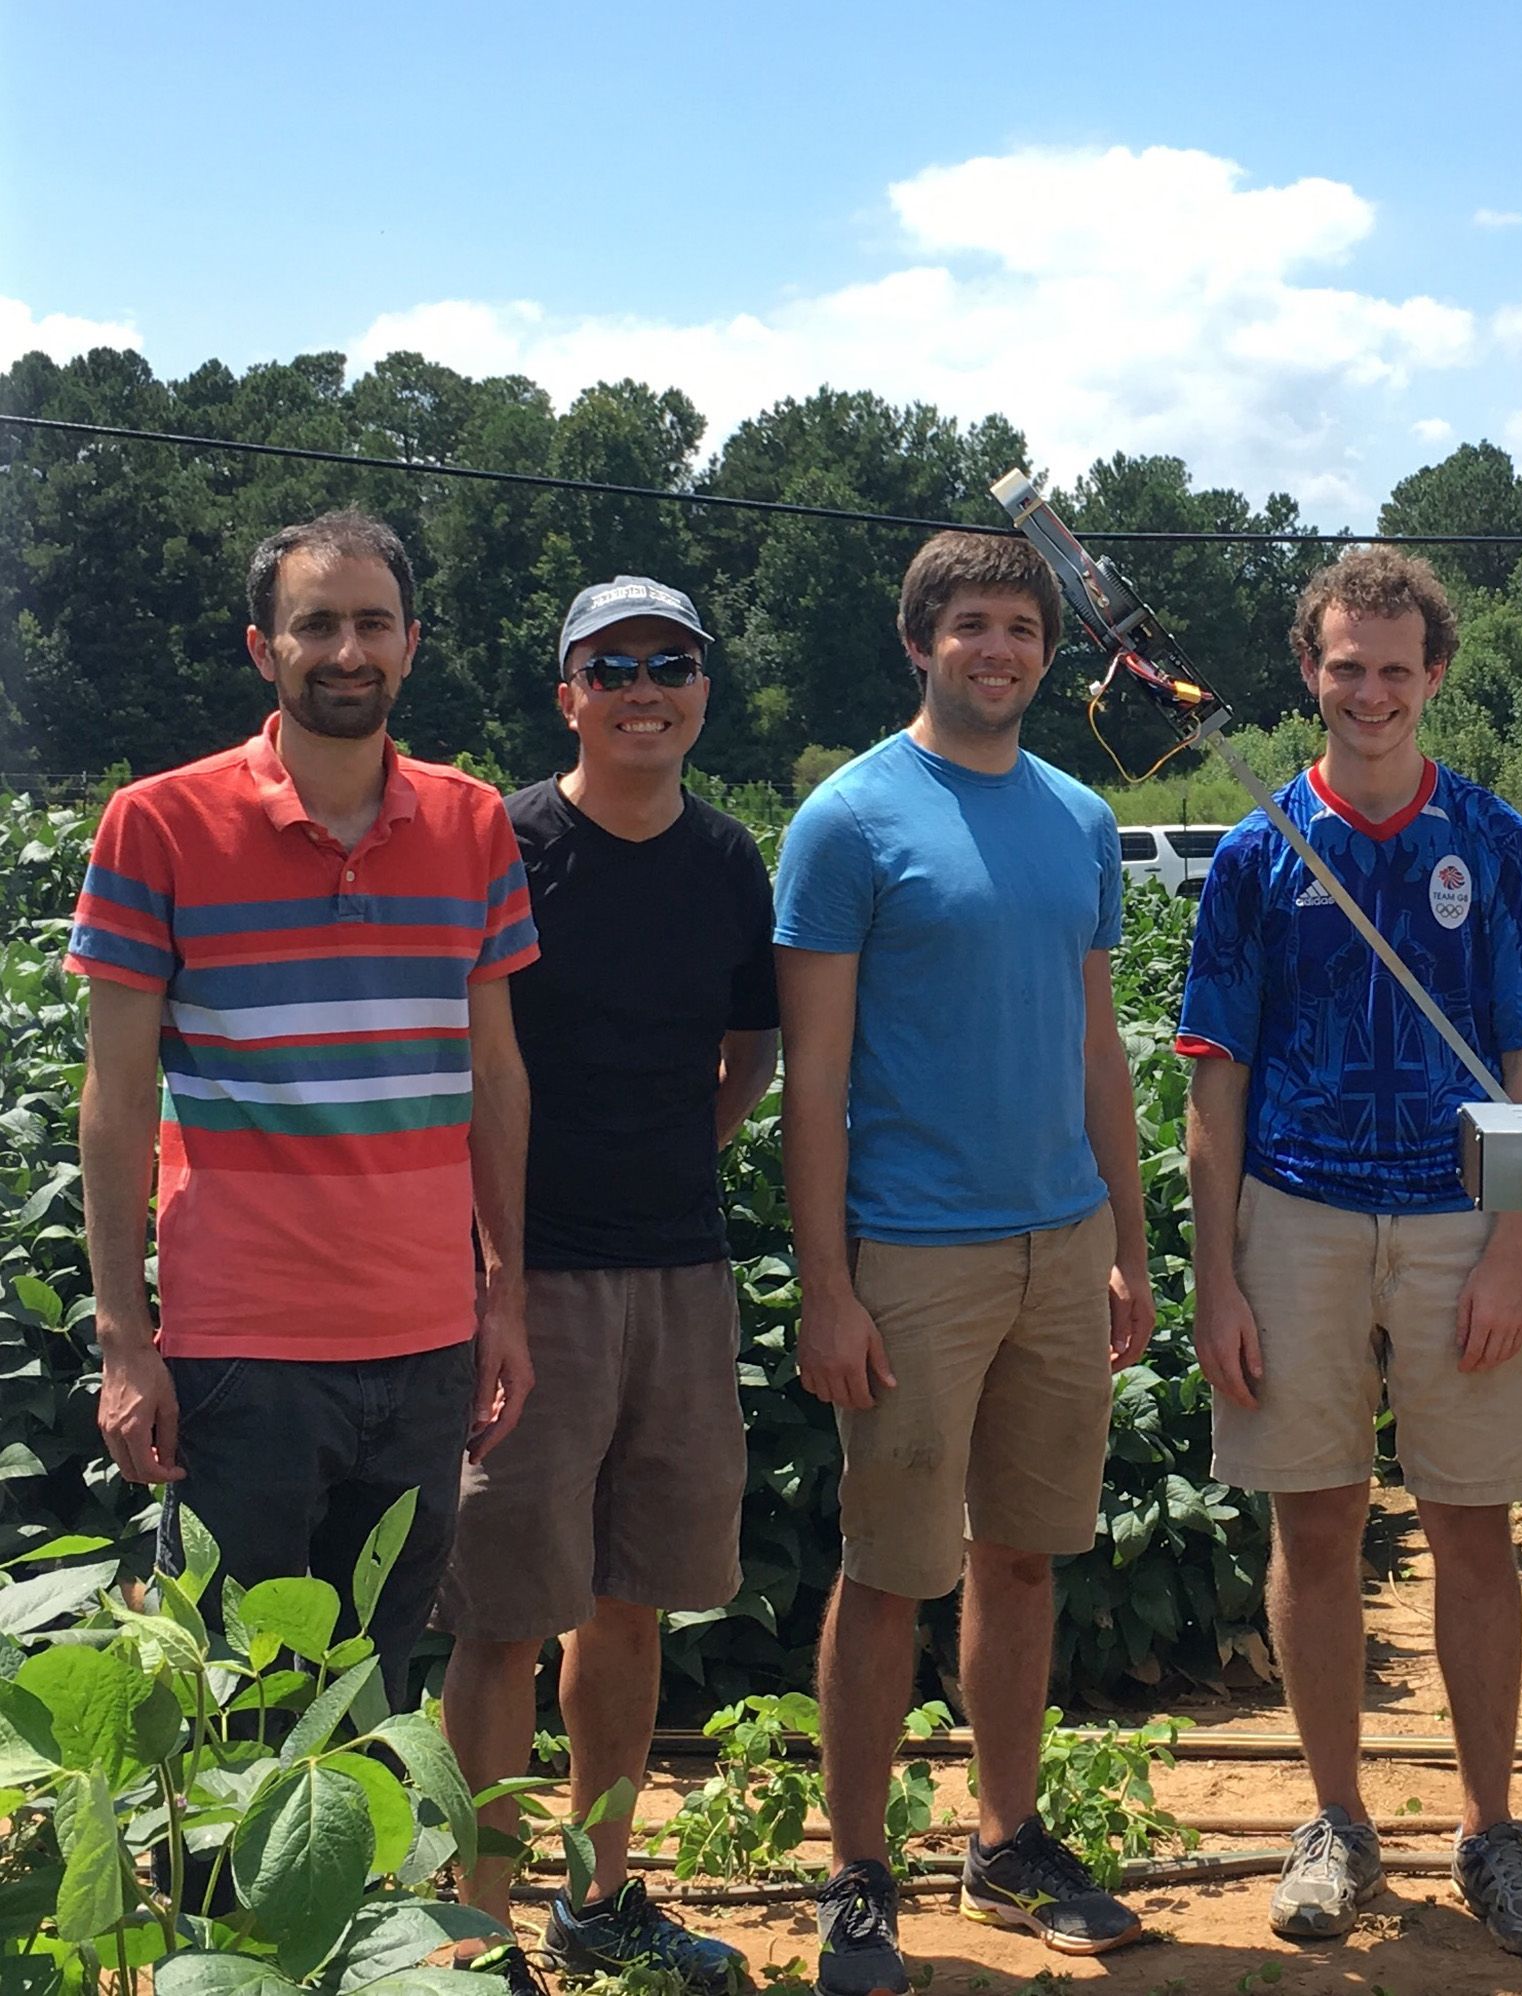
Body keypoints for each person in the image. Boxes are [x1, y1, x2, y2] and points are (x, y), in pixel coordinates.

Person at [1178, 549, 1522, 1957]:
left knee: (1474, 1524)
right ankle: (1335, 1820)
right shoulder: (1253, 849)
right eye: (1344, 666)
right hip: (1290, 1211)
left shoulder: (1496, 838)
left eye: (1393, 668)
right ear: (1310, 670)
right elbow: (1211, 1079)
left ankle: (1489, 1830)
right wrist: (1213, 1270)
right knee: (1313, 1518)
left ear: (1433, 675)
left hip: (1455, 1213)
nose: (1367, 691)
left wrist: (1508, 1251)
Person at [774, 529, 1154, 1985]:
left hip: (1060, 1247)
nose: (997, 651)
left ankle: (1004, 1839)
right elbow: (813, 1080)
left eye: (1020, 629)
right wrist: (826, 1286)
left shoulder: (1073, 816)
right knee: (888, 1570)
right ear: (918, 639)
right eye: (971, 626)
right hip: (912, 1256)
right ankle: (858, 1872)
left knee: (1025, 1557)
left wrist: (1126, 1242)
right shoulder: (850, 820)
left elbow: (1096, 1049)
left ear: (1046, 654)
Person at [73, 509, 535, 1692]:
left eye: (372, 623)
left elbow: (494, 1078)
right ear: (261, 647)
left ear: (412, 644)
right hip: (241, 1353)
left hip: (426, 1343)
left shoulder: (473, 822)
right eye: (315, 624)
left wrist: (504, 1298)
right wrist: (125, 1340)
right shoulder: (159, 824)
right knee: (233, 1704)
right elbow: (116, 1098)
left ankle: (365, 1892)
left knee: (372, 1702)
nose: (347, 651)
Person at [434, 576, 779, 1992]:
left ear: (702, 687)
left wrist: (671, 1155)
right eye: (613, 664)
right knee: (504, 1617)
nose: (646, 686)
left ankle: (599, 1895)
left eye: (671, 662)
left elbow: (750, 1053)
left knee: (630, 1599)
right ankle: (474, 1930)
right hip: (527, 1281)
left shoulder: (724, 857)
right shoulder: (503, 843)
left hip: (679, 1272)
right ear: (565, 690)